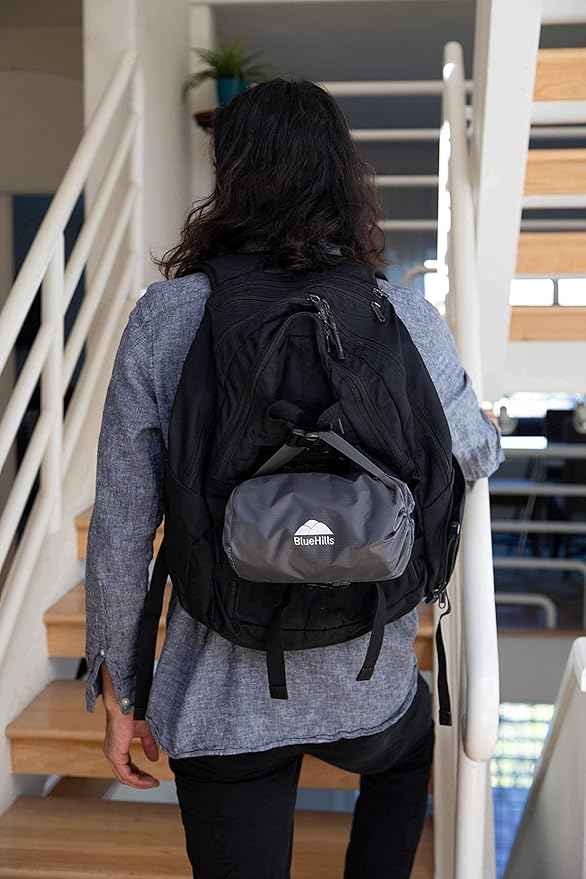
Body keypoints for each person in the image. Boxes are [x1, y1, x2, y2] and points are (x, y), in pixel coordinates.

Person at [85, 78, 503, 879]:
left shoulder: (166, 318)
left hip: (217, 692)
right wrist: (488, 424)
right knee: (411, 748)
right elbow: (473, 454)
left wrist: (121, 694)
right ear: (345, 178)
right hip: (365, 678)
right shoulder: (403, 313)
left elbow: (122, 527)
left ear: (230, 179)